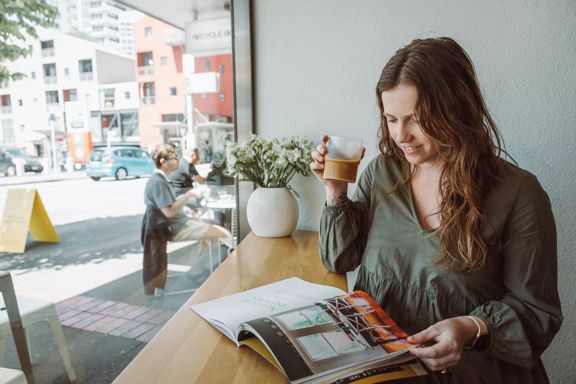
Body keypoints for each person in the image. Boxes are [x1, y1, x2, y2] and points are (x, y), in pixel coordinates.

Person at [310, 37, 562, 383]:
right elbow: (339, 260)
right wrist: (335, 192)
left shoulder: (519, 193)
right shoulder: (382, 173)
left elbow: (538, 313)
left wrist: (469, 327)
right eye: (391, 119)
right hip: (384, 374)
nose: (401, 136)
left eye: (416, 119)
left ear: (455, 109)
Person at [143, 143, 230, 295]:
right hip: (174, 228)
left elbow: (170, 209)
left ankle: (198, 270)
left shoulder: (161, 179)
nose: (177, 160)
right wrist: (190, 195)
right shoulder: (158, 182)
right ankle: (200, 272)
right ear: (163, 161)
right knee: (225, 235)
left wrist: (191, 212)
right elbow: (169, 212)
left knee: (213, 227)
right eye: (174, 158)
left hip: (176, 223)